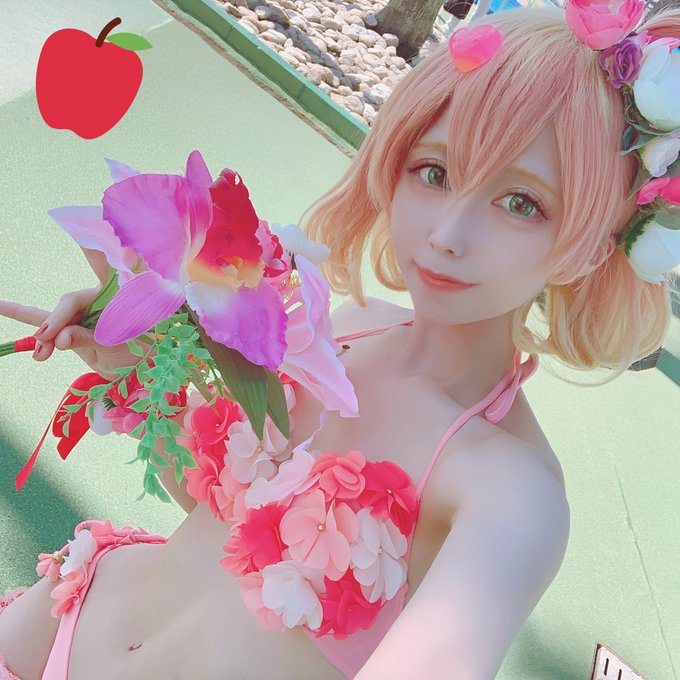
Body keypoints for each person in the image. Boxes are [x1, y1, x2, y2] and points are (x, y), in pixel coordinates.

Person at [1, 3, 679, 678]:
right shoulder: (348, 323)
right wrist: (135, 364)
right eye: (434, 172)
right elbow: (225, 516)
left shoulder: (513, 495)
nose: (448, 234)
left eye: (521, 204)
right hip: (62, 610)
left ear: (591, 248)